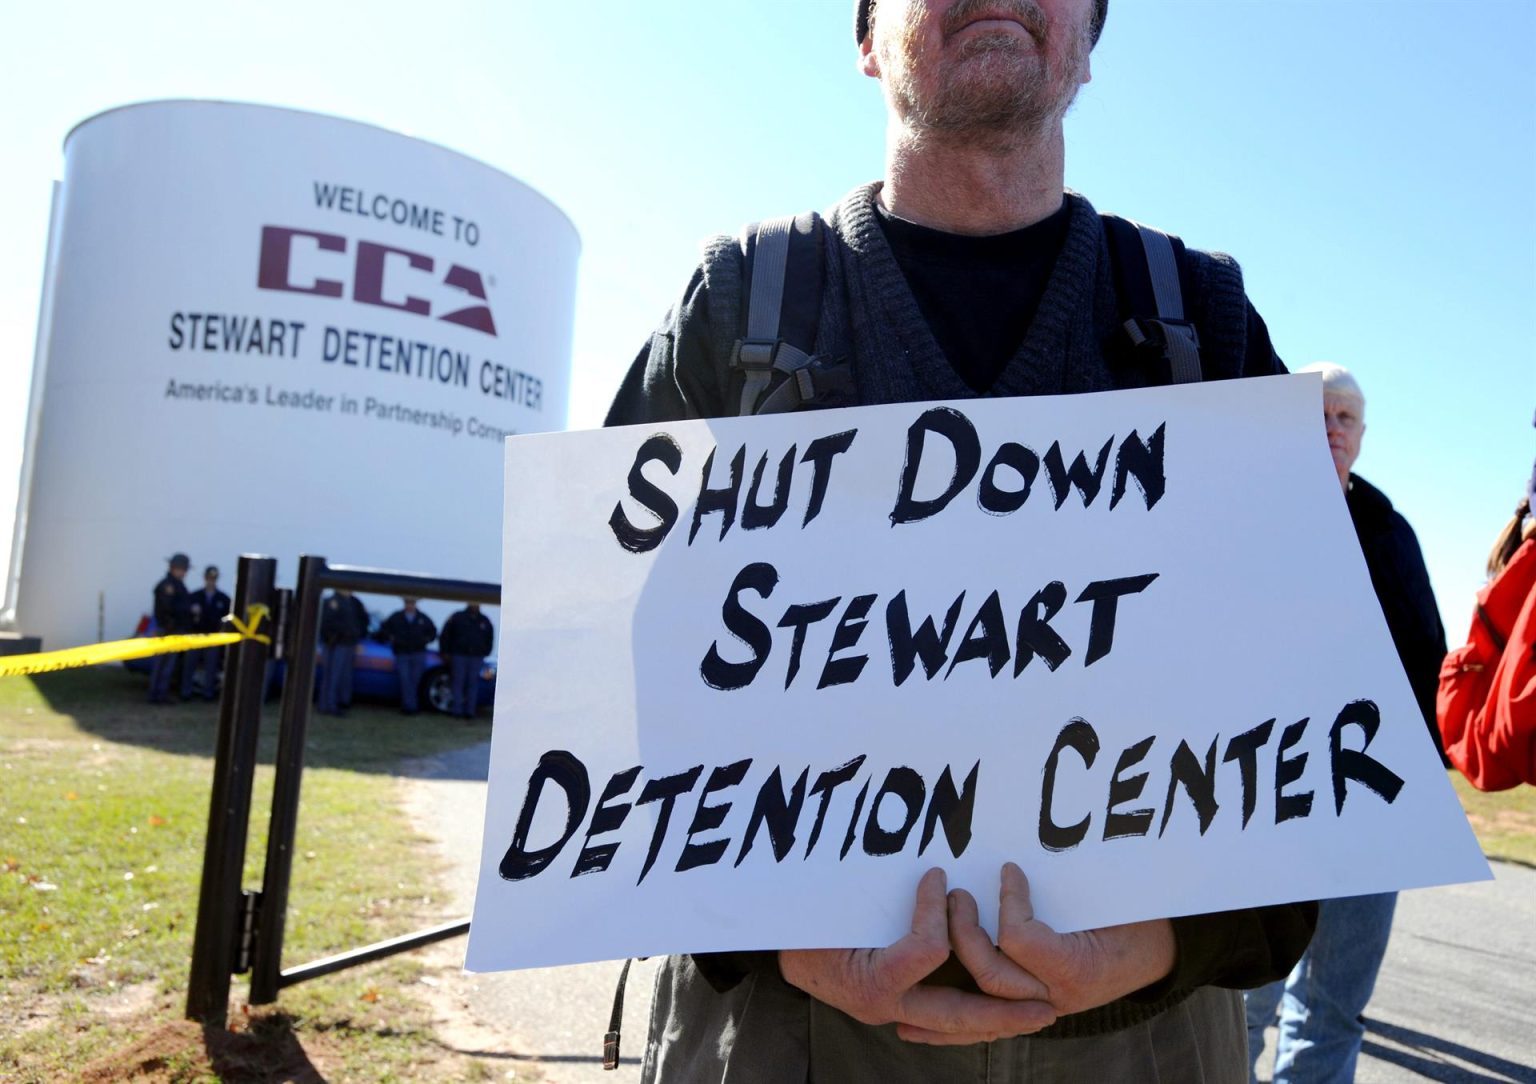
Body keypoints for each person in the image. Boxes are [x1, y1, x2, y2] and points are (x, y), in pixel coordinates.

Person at [606, 1, 1316, 1079]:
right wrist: (774, 934)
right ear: (865, 38)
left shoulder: (1202, 322)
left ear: (1089, 34)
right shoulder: (736, 309)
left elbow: (1317, 698)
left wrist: (1178, 940)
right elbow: (594, 669)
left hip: (1146, 1043)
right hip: (781, 1038)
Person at [1244, 363, 1447, 1084]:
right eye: (1319, 413)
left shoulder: (1391, 529)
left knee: (1335, 1003)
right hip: (1267, 788)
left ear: (1362, 436)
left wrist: (1430, 769)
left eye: (1346, 418)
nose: (1333, 428)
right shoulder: (1245, 512)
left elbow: (1427, 650)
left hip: (1372, 794)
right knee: (1246, 995)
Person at [181, 564, 231, 702]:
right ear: (205, 578)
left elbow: (228, 619)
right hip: (196, 636)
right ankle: (186, 691)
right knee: (189, 664)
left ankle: (208, 693)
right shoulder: (194, 596)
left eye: (213, 579)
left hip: (213, 637)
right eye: (209, 578)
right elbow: (185, 615)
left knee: (211, 666)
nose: (211, 581)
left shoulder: (223, 599)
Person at [147, 553, 192, 704]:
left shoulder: (178, 585)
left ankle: (160, 693)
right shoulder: (168, 586)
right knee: (163, 665)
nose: (184, 572)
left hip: (174, 630)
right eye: (182, 569)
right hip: (168, 630)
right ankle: (156, 695)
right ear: (174, 568)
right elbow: (167, 608)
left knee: (168, 665)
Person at [380, 597, 437, 715]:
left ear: (415, 604)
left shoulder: (423, 618)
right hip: (402, 653)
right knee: (404, 680)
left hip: (418, 653)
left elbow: (433, 632)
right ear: (404, 603)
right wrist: (392, 638)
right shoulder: (396, 616)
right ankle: (408, 707)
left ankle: (413, 705)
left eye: (412, 603)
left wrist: (425, 640)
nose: (410, 605)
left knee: (415, 681)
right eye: (408, 603)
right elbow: (384, 629)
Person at [317, 589, 369, 716]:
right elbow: (325, 623)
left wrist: (358, 634)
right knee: (332, 676)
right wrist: (334, 637)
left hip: (349, 644)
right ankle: (328, 705)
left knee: (344, 676)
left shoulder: (355, 602)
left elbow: (364, 620)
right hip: (334, 645)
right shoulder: (331, 601)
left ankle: (341, 702)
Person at [440, 603, 495, 720]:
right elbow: (445, 634)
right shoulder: (457, 617)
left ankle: (470, 712)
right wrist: (445, 652)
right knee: (457, 683)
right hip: (459, 655)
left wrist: (485, 651)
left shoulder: (484, 620)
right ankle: (457, 711)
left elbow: (490, 637)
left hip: (476, 657)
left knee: (473, 684)